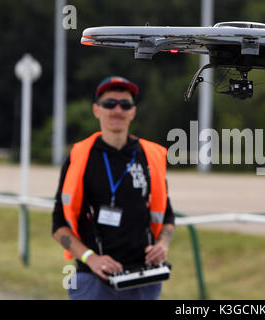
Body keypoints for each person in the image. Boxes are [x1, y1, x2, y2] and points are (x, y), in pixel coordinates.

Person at [52, 76, 175, 300]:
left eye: (125, 104)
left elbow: (167, 216)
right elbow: (59, 225)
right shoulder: (80, 156)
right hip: (92, 279)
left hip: (142, 278)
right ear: (96, 110)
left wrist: (163, 245)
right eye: (110, 104)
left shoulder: (150, 156)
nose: (117, 110)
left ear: (133, 112)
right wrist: (91, 258)